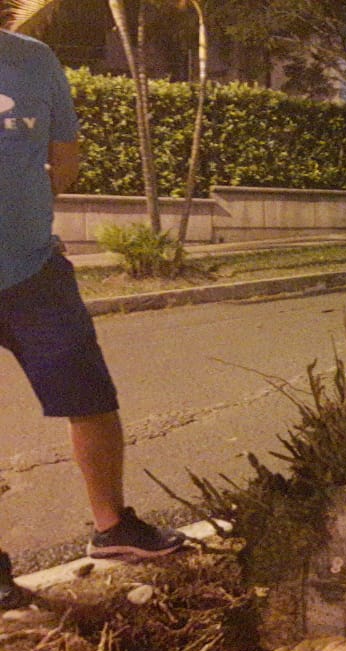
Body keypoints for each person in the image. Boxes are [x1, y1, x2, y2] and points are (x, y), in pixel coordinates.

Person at [1, 29, 185, 609]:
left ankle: (114, 530)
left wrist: (23, 214)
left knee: (92, 401)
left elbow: (66, 159)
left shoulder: (36, 59)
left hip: (34, 272)